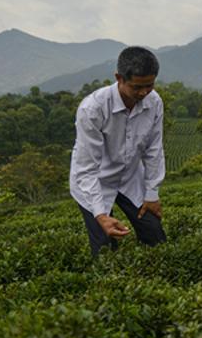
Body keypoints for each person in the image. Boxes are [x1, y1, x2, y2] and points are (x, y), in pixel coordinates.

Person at [70, 46, 166, 256]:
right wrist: (101, 215)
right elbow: (87, 170)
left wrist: (152, 193)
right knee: (105, 248)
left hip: (130, 177)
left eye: (149, 85)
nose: (143, 93)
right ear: (119, 78)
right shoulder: (93, 109)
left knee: (155, 236)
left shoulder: (154, 101)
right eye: (136, 87)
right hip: (95, 181)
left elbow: (154, 149)